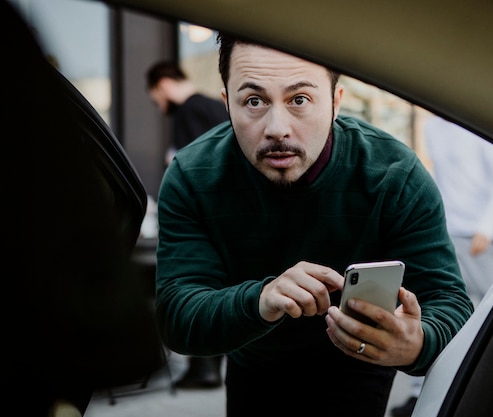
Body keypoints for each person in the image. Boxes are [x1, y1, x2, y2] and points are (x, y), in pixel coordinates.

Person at [155, 33, 474, 417]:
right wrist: (261, 299)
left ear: (336, 103)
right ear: (227, 104)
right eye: (253, 101)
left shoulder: (394, 174)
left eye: (299, 100)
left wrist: (418, 343)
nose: (277, 128)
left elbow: (450, 302)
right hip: (253, 363)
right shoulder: (192, 175)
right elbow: (176, 314)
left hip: (359, 364)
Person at [390, 115, 493, 417]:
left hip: (482, 237)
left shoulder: (479, 124)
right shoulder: (432, 127)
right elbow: (442, 179)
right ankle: (421, 395)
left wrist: (487, 227)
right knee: (436, 312)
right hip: (447, 233)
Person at [146, 60, 229, 388]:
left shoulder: (187, 111)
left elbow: (193, 166)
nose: (158, 105)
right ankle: (207, 369)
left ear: (163, 84)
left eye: (155, 97)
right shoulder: (212, 106)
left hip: (205, 217)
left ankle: (204, 370)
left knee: (199, 286)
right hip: (226, 215)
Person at [146, 60, 229, 165]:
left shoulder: (187, 111)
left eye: (157, 102)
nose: (162, 110)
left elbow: (196, 162)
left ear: (164, 85)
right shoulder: (215, 105)